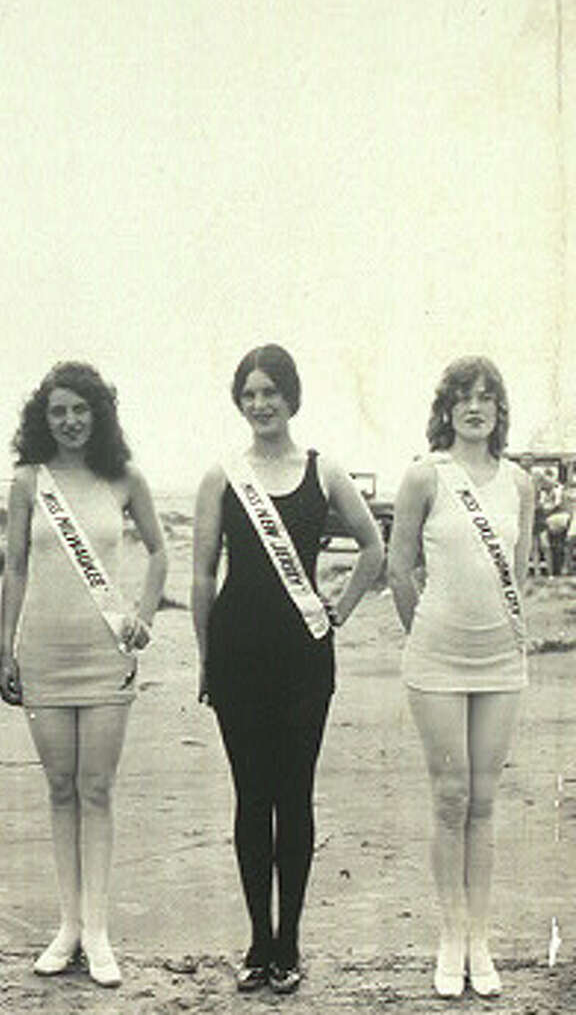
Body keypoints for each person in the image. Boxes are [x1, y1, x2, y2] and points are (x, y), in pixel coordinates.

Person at [191, 344, 384, 994]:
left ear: (290, 396)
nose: (260, 403)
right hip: (238, 652)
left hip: (305, 656)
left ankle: (290, 944)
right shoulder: (223, 474)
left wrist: (343, 608)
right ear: (239, 401)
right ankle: (257, 942)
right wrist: (204, 656)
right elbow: (200, 572)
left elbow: (373, 545)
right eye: (249, 393)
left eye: (270, 391)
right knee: (252, 797)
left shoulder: (323, 470)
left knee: (294, 795)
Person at [0, 362, 168, 986]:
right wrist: (4, 648)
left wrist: (142, 618)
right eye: (57, 412)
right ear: (43, 419)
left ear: (99, 413)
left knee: (97, 791)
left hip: (104, 656)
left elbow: (160, 551)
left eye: (79, 410)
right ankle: (67, 926)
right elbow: (13, 566)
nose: (69, 422)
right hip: (43, 652)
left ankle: (97, 932)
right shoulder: (27, 481)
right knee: (60, 788)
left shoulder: (123, 477)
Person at [387, 356, 532, 999]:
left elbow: (520, 573)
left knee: (483, 801)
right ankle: (450, 938)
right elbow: (399, 569)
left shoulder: (521, 484)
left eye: (486, 398)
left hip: (501, 660)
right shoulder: (425, 476)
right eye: (462, 398)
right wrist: (427, 634)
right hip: (438, 660)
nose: (475, 408)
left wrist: (503, 629)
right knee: (449, 798)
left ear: (499, 411)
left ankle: (480, 939)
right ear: (446, 410)